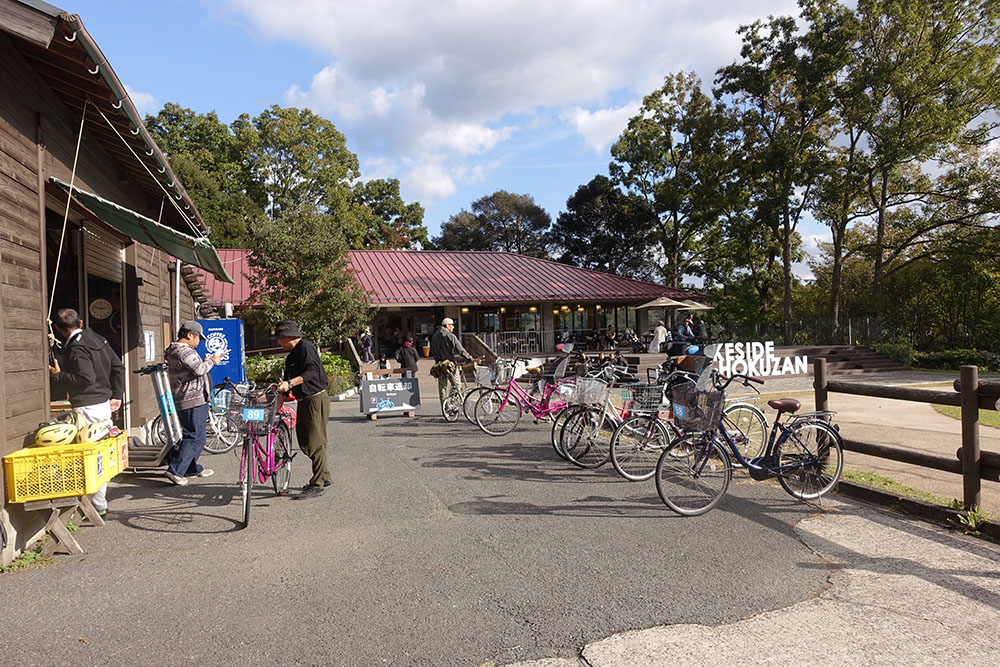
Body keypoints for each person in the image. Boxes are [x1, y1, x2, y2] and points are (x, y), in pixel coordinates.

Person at [48, 308, 125, 514]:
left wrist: (59, 375)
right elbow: (118, 366)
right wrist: (117, 394)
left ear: (57, 328)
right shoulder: (97, 339)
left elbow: (85, 378)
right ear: (80, 323)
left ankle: (97, 505)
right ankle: (99, 503)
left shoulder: (76, 348)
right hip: (103, 403)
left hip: (86, 406)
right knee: (101, 454)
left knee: (90, 456)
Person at [163, 320, 223, 486]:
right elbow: (199, 370)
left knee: (196, 435)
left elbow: (193, 368)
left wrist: (204, 360)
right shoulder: (184, 351)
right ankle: (175, 470)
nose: (199, 343)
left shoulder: (175, 350)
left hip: (185, 397)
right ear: (190, 335)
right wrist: (213, 361)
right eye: (198, 339)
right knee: (194, 436)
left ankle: (191, 468)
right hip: (192, 398)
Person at [275, 320, 330, 499]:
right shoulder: (291, 356)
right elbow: (286, 386)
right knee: (306, 440)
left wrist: (290, 383)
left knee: (315, 442)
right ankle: (324, 475)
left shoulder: (306, 347)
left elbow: (312, 371)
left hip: (315, 398)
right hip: (303, 400)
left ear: (287, 337)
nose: (278, 343)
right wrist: (276, 403)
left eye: (279, 339)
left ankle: (317, 484)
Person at [430, 317, 474, 407]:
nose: (453, 327)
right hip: (450, 364)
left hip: (439, 364)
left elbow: (433, 351)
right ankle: (451, 402)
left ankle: (444, 406)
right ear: (447, 326)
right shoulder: (451, 336)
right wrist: (470, 359)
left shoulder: (434, 336)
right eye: (452, 325)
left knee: (442, 387)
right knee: (456, 384)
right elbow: (460, 350)